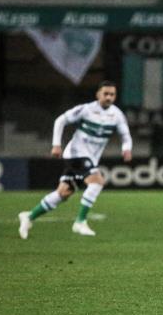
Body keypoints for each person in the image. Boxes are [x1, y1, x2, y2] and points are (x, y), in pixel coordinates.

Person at [18, 80, 132, 238]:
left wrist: (126, 148)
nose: (108, 97)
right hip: (76, 153)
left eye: (112, 94)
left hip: (90, 158)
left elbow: (125, 135)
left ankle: (29, 216)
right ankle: (80, 222)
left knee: (64, 193)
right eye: (105, 94)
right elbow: (61, 120)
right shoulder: (86, 110)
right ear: (98, 94)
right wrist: (56, 144)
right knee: (97, 182)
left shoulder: (117, 115)